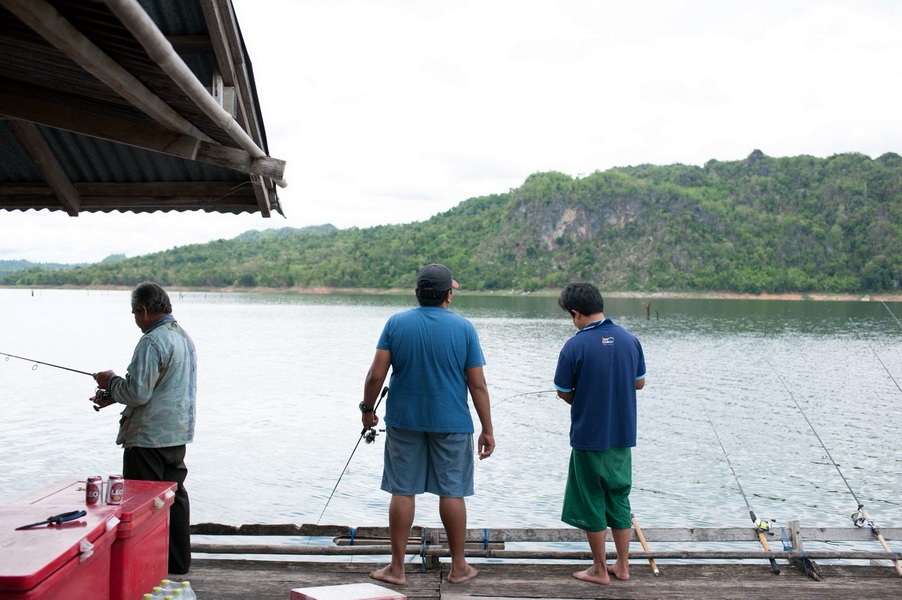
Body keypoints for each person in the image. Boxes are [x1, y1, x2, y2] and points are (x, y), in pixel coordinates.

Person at [361, 263, 495, 585]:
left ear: (418, 293)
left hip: (403, 421)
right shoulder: (464, 329)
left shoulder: (396, 323)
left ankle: (396, 568)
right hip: (451, 422)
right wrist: (487, 429)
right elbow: (477, 385)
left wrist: (367, 411)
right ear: (448, 294)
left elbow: (376, 375)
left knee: (402, 490)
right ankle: (459, 567)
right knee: (451, 492)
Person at [92, 282, 197, 575]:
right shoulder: (182, 337)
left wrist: (110, 380)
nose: (136, 320)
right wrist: (114, 394)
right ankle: (177, 563)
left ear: (145, 310)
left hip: (148, 437)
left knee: (141, 502)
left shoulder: (152, 341)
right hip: (176, 434)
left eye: (135, 314)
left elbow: (138, 393)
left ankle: (142, 566)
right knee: (174, 497)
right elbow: (160, 388)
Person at [553, 282, 646, 585]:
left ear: (576, 314)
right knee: (619, 498)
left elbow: (564, 392)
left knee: (591, 498)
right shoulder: (630, 340)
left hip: (589, 437)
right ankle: (623, 566)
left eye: (571, 315)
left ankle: (599, 569)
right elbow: (639, 383)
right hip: (622, 436)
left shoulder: (574, 346)